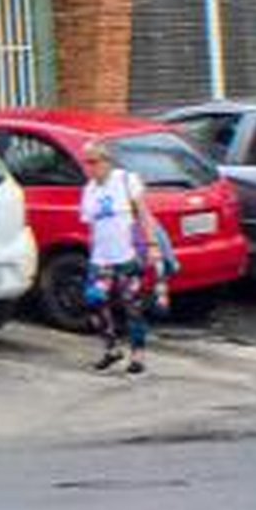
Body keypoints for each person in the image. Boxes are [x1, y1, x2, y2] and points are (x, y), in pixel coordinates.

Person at [77, 138, 179, 375]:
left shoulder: (125, 180)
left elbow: (144, 215)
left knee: (131, 306)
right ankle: (112, 348)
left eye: (93, 162)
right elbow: (92, 227)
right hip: (101, 258)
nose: (89, 168)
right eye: (86, 163)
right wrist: (94, 254)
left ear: (107, 162)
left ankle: (138, 354)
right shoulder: (88, 190)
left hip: (128, 255)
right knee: (93, 300)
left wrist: (153, 246)